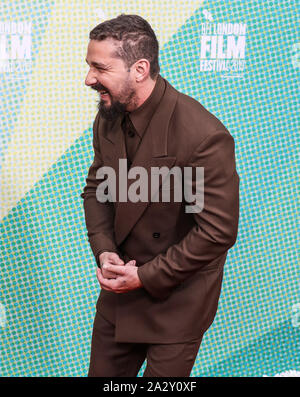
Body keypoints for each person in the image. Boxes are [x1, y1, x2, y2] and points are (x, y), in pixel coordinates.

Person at [81, 13, 239, 377]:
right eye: (89, 66)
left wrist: (147, 276)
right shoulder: (107, 116)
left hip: (176, 300)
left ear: (139, 69)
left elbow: (215, 232)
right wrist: (105, 250)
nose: (89, 79)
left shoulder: (202, 137)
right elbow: (98, 191)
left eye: (99, 68)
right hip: (120, 295)